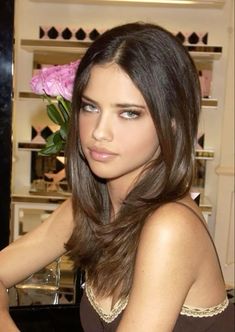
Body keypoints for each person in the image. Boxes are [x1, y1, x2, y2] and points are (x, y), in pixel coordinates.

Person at [0, 22, 234, 332]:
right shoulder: (88, 209)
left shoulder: (170, 228)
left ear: (174, 123)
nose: (98, 131)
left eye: (128, 113)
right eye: (90, 107)